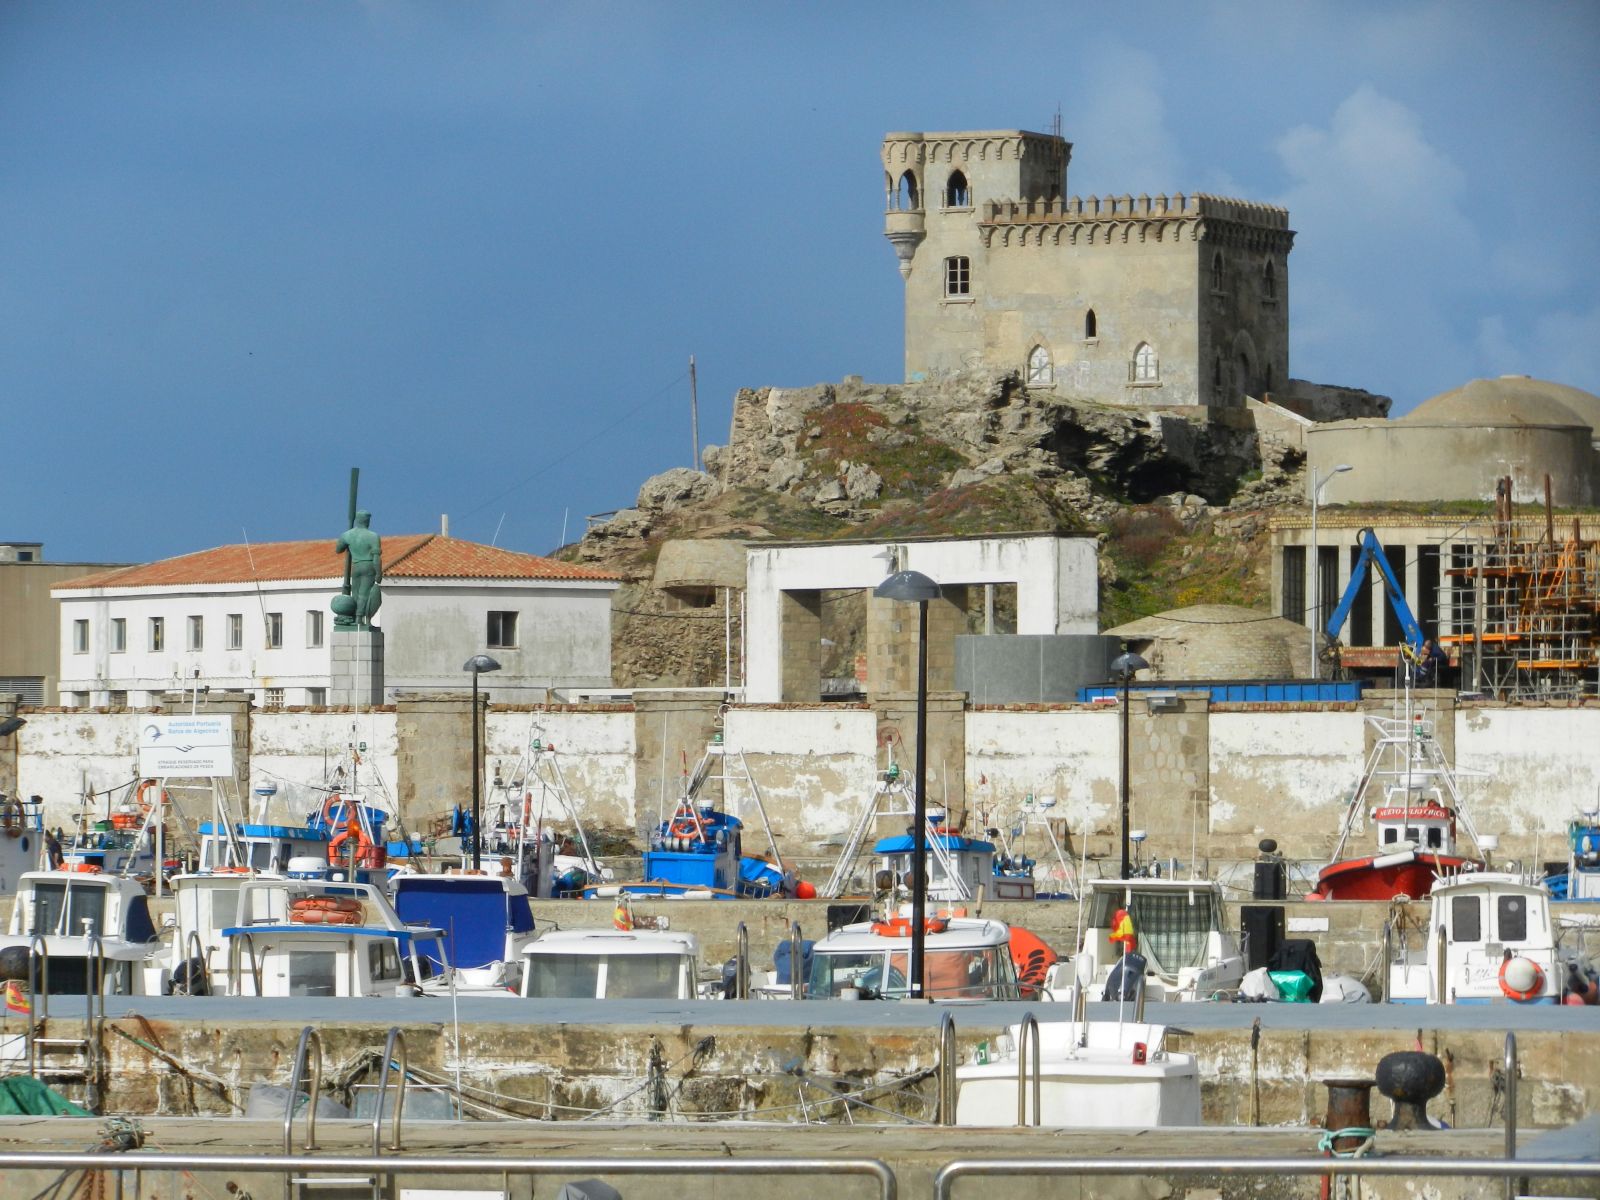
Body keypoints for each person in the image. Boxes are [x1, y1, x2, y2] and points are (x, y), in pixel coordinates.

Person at [334, 509, 383, 628]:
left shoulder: (347, 535)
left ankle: (357, 618)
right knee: (365, 593)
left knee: (355, 593)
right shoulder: (373, 536)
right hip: (369, 566)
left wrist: (347, 543)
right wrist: (378, 573)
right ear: (367, 521)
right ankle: (361, 619)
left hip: (356, 566)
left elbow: (338, 549)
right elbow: (376, 558)